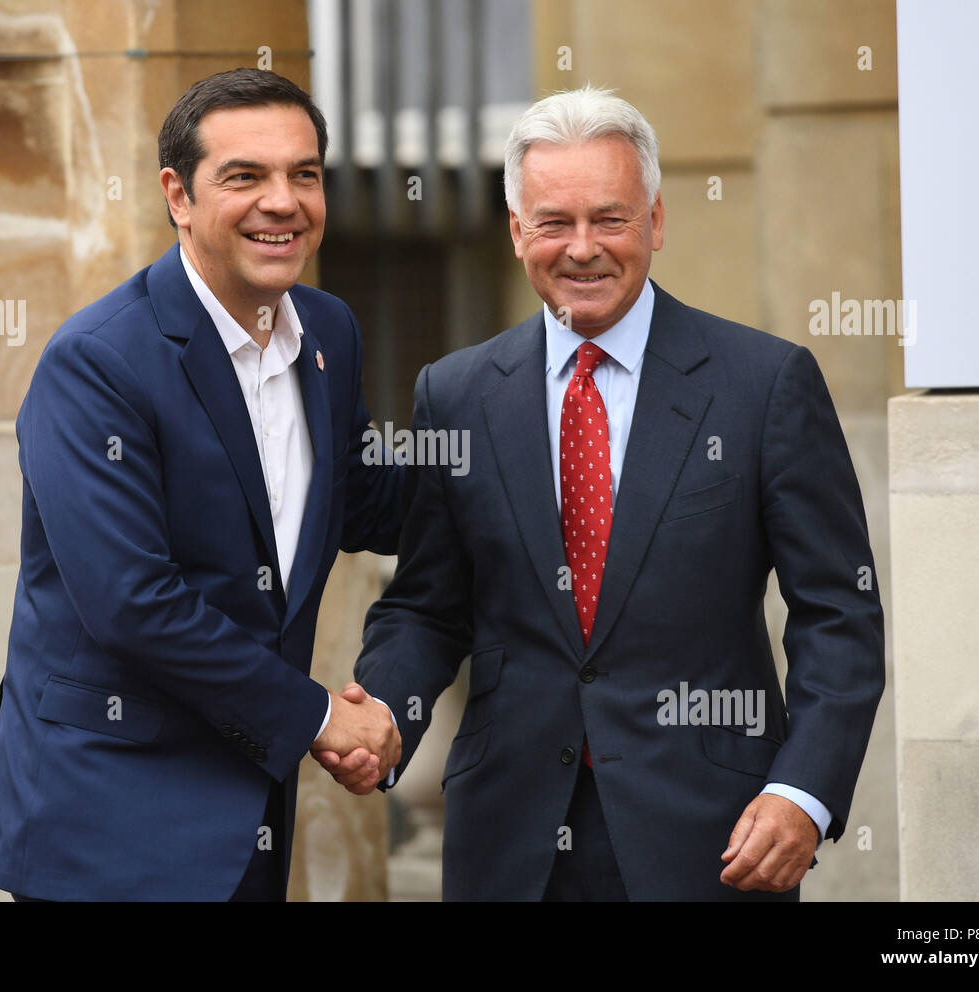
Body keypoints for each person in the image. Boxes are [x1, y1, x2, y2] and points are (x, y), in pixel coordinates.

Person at [323, 85, 885, 900]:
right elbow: (427, 606)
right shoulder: (457, 393)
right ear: (518, 232)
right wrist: (386, 714)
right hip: (508, 842)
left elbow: (840, 614)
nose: (582, 248)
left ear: (655, 221)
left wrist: (803, 792)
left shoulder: (763, 385)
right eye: (554, 222)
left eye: (610, 219)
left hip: (712, 838)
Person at [0, 68, 402, 902]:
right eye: (244, 176)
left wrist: (519, 453)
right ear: (178, 194)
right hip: (108, 818)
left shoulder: (330, 331)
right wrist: (319, 717)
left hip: (248, 817)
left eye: (304, 174)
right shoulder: (97, 361)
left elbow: (366, 503)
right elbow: (132, 602)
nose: (282, 201)